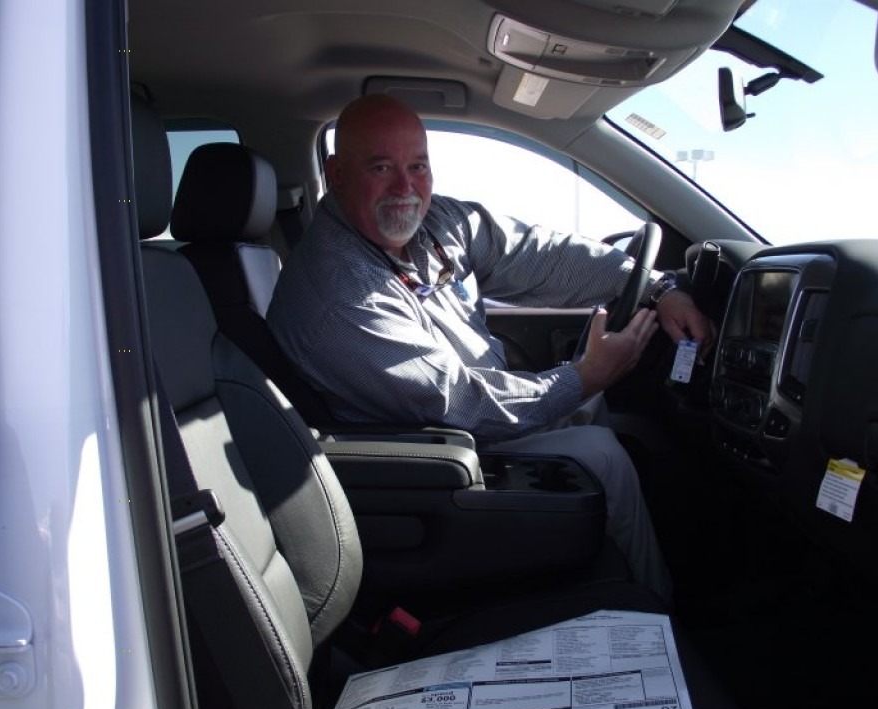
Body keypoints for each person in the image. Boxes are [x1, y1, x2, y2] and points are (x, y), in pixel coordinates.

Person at [267, 95, 713, 601]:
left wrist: (656, 287)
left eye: (418, 166)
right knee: (602, 454)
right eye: (381, 167)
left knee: (593, 406)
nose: (405, 188)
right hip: (428, 457)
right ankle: (657, 609)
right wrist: (583, 377)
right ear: (337, 173)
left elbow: (535, 255)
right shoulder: (337, 295)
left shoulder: (436, 225)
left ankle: (597, 571)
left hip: (467, 427)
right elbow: (457, 402)